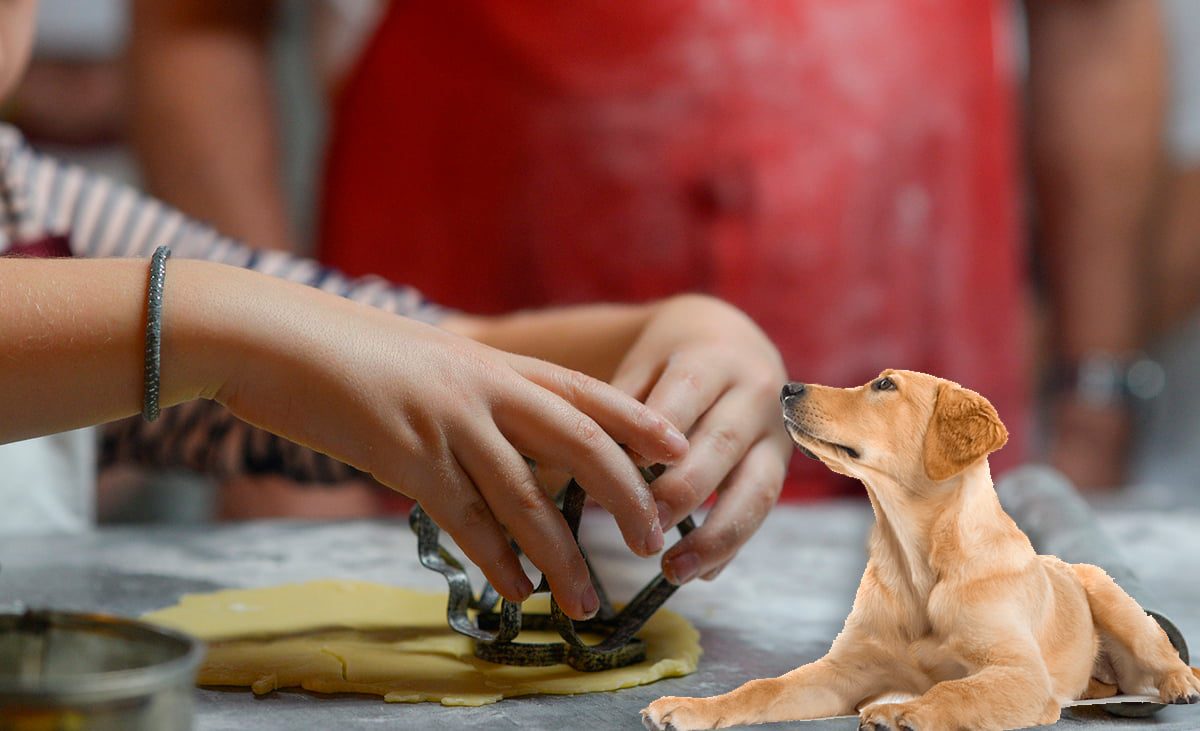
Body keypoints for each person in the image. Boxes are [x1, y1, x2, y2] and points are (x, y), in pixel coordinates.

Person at [130, 0, 1167, 494]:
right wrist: (281, 430)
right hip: (442, 458)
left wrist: (1099, 391)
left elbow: (1100, 20)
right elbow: (198, 26)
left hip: (925, 423)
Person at [0, 0, 792, 619]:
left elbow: (399, 356)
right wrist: (221, 326)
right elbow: (249, 336)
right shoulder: (158, 293)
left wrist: (676, 339)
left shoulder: (37, 213)